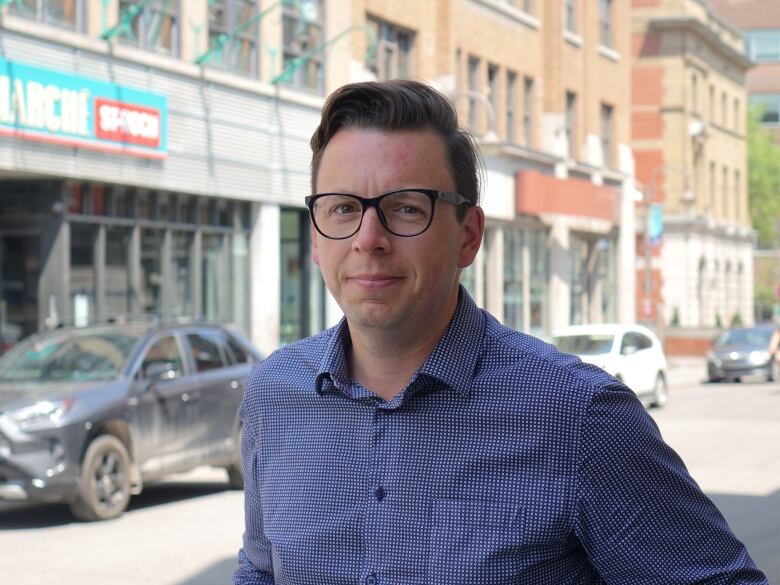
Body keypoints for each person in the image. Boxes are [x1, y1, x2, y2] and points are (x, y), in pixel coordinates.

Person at [234, 80, 767, 584]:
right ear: (315, 237)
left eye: (406, 208)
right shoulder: (273, 395)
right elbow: (260, 569)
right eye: (344, 208)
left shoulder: (577, 414)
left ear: (468, 237)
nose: (368, 238)